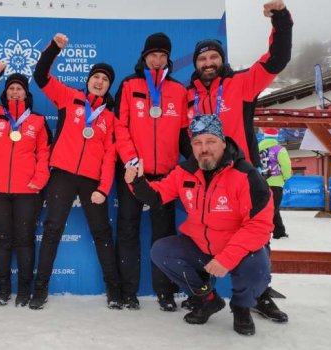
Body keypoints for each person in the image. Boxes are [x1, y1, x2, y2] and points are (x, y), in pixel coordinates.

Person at [186, 0, 292, 321]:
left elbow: (277, 58)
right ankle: (207, 296)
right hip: (204, 177)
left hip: (243, 175)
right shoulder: (187, 95)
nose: (208, 62)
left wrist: (281, 20)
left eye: (213, 56)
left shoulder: (241, 83)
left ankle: (259, 294)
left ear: (222, 60)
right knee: (203, 233)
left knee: (257, 234)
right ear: (196, 63)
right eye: (202, 58)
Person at [126, 114, 274, 336]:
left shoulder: (248, 176)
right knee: (162, 251)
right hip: (200, 247)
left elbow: (259, 226)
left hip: (236, 250)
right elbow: (157, 196)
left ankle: (242, 307)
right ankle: (206, 298)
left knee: (258, 267)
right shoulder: (184, 172)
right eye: (197, 143)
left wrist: (226, 258)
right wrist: (136, 181)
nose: (203, 149)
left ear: (223, 142)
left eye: (210, 141)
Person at [29, 33, 122, 310]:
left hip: (93, 181)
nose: (100, 82)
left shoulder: (109, 117)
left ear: (108, 87)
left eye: (105, 80)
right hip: (63, 176)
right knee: (53, 230)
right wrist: (54, 48)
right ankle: (40, 289)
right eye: (97, 77)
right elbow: (40, 75)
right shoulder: (69, 98)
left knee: (102, 233)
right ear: (88, 79)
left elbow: (110, 156)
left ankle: (114, 290)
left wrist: (104, 188)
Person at [113, 32, 190, 311]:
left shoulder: (179, 90)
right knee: (128, 231)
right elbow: (119, 127)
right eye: (152, 55)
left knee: (164, 236)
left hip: (166, 176)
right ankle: (128, 292)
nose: (157, 60)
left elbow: (183, 133)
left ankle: (165, 292)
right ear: (144, 57)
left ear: (168, 59)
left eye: (162, 56)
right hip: (134, 172)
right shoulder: (129, 84)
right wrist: (132, 161)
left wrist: (193, 162)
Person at [0, 62, 50, 307]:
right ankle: (3, 288)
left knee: (24, 241)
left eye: (19, 88)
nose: (15, 92)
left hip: (27, 191)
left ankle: (24, 290)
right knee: (2, 240)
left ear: (27, 93)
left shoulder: (37, 121)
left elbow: (44, 154)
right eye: (11, 88)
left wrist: (38, 182)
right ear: (5, 93)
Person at [258, 128, 291, 239]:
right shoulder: (279, 149)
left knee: (268, 207)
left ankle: (279, 231)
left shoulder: (256, 148)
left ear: (264, 136)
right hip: (275, 183)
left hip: (260, 182)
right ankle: (261, 232)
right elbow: (286, 165)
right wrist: (286, 177)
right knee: (272, 208)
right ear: (276, 137)